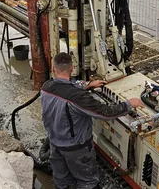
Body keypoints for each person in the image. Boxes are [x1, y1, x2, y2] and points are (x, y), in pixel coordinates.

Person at [40, 53, 143, 189]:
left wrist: (88, 84)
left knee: (61, 179)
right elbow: (105, 113)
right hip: (76, 149)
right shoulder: (78, 98)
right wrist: (129, 104)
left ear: (54, 69)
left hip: (55, 144)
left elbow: (67, 86)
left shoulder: (46, 87)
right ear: (72, 68)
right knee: (88, 182)